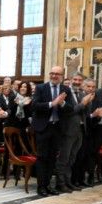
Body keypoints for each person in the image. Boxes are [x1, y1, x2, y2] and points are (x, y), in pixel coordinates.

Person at [31, 66, 74, 196]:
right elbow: (34, 106)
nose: (54, 76)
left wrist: (62, 104)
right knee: (42, 157)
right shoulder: (41, 88)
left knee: (52, 159)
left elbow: (71, 109)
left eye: (57, 74)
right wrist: (52, 103)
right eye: (52, 73)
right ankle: (41, 186)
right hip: (43, 128)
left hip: (57, 128)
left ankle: (48, 185)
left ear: (62, 76)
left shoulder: (66, 90)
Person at [55, 73, 92, 192]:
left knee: (72, 158)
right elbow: (70, 111)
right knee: (64, 158)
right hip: (68, 130)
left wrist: (88, 103)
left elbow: (85, 112)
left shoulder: (82, 93)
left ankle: (68, 181)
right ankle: (60, 183)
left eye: (80, 80)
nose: (77, 81)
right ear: (71, 80)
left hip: (80, 130)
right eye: (75, 79)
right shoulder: (66, 93)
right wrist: (83, 103)